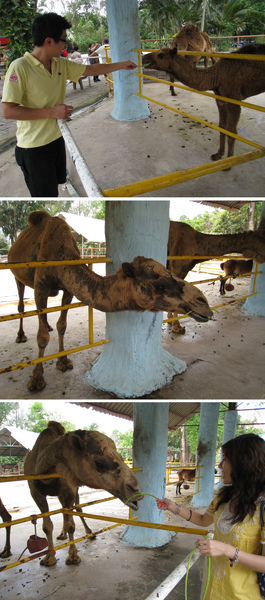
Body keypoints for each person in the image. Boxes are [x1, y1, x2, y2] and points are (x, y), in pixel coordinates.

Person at [1, 12, 137, 197]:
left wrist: (121, 65)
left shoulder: (60, 64)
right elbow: (8, 111)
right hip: (33, 148)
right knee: (45, 195)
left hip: (57, 138)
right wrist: (51, 112)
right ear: (49, 41)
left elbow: (91, 69)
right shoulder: (19, 67)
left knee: (57, 183)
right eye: (63, 40)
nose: (66, 45)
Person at [156, 433, 265, 600]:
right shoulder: (225, 494)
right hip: (214, 589)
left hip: (244, 595)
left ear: (244, 463)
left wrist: (226, 550)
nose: (220, 465)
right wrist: (174, 507)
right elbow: (203, 520)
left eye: (225, 460)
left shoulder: (262, 506)